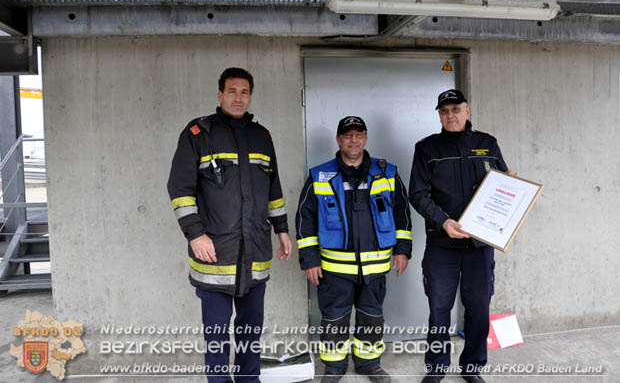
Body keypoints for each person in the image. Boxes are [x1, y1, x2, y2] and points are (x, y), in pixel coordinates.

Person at [167, 67, 292, 383]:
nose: (239, 98)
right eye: (233, 91)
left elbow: (273, 189)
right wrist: (195, 234)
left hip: (256, 252)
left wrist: (282, 230)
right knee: (217, 335)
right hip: (215, 255)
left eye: (245, 92)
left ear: (251, 96)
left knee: (251, 329)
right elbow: (180, 189)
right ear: (220, 94)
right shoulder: (198, 134)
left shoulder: (262, 137)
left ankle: (250, 380)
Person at [296, 116, 412, 383]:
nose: (353, 139)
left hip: (375, 266)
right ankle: (334, 368)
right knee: (334, 318)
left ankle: (369, 364)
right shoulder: (320, 175)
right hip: (335, 269)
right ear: (338, 140)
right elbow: (305, 218)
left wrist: (402, 250)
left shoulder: (387, 172)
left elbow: (402, 214)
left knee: (371, 317)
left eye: (359, 134)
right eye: (348, 135)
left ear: (366, 138)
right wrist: (310, 260)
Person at [409, 89, 513, 383]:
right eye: (444, 112)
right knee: (439, 308)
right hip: (442, 244)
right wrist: (443, 222)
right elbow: (417, 193)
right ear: (440, 115)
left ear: (467, 111)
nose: (450, 116)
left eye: (456, 110)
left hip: (480, 246)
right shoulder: (427, 148)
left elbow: (503, 182)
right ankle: (437, 366)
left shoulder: (487, 143)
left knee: (479, 308)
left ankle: (472, 366)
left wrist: (511, 185)